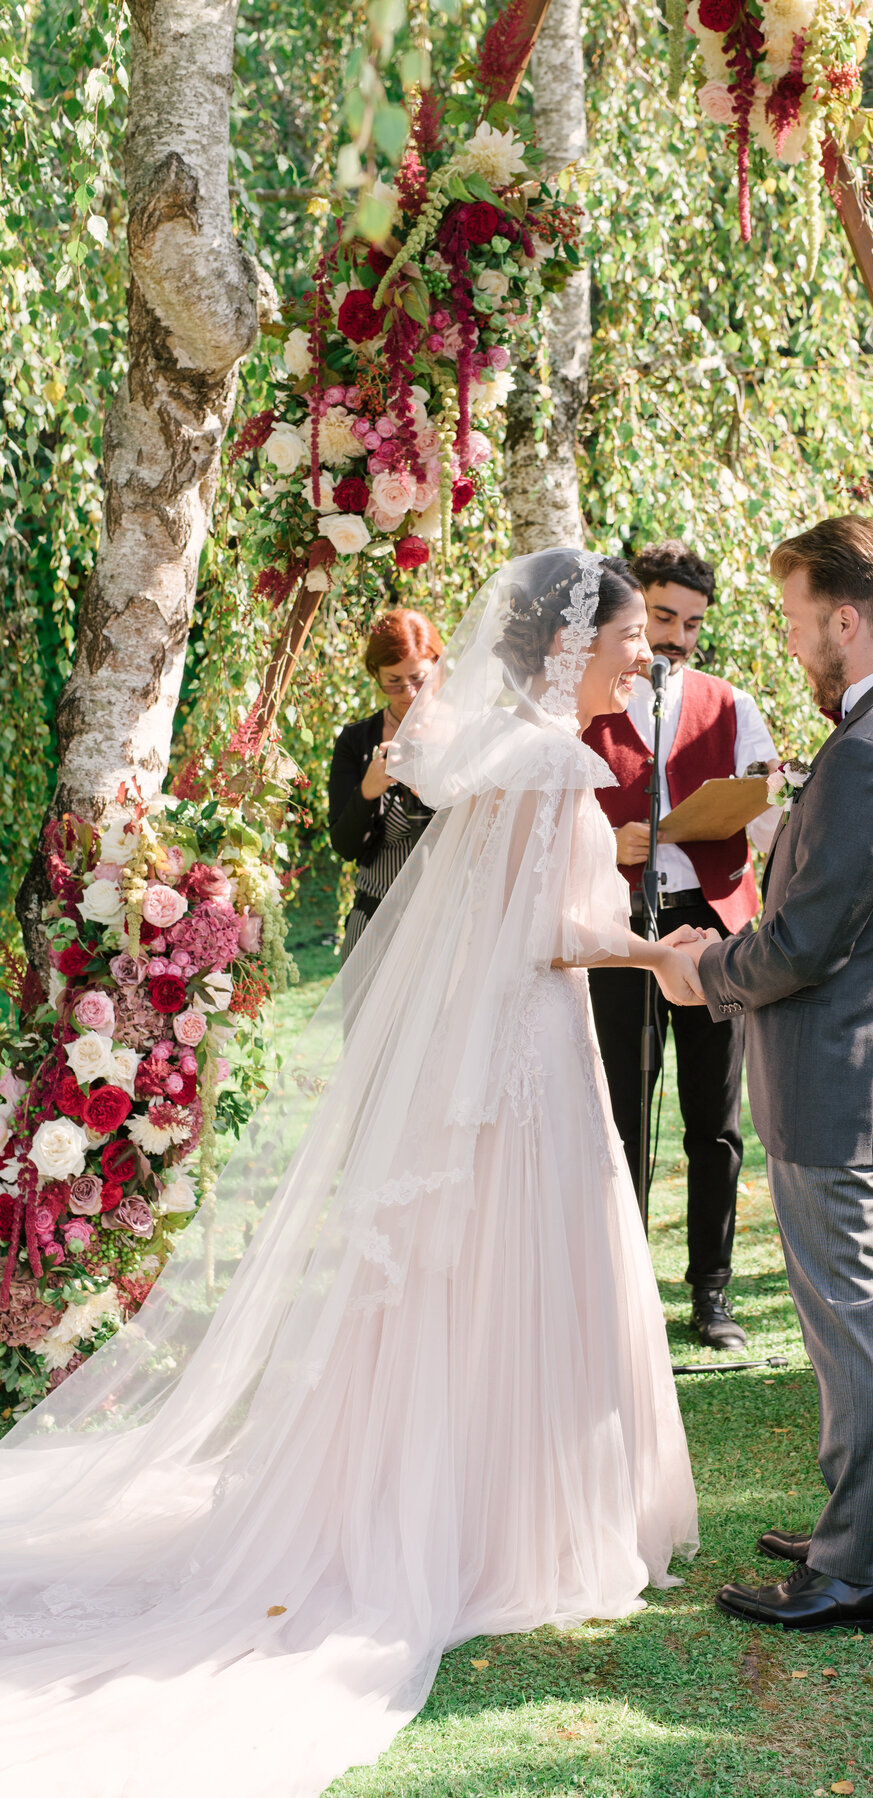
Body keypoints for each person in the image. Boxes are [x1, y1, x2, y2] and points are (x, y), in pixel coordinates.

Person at [0, 550, 701, 1798]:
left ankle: (461, 1502)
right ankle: (512, 1525)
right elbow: (544, 934)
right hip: (532, 1049)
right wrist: (657, 953)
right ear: (569, 643)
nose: (644, 655)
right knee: (527, 1259)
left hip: (500, 1051)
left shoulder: (502, 745)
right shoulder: (554, 760)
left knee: (476, 1268)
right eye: (633, 634)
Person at [678, 516, 873, 1635]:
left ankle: (856, 1569)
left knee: (853, 1318)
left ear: (845, 619)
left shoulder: (870, 750)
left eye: (800, 619)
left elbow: (800, 945)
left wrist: (702, 967)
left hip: (837, 1078)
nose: (794, 640)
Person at [584, 542, 779, 1351]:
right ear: (633, 611)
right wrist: (608, 841)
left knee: (716, 1122)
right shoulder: (584, 707)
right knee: (619, 1115)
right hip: (618, 931)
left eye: (692, 624)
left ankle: (713, 1294)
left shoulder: (731, 705)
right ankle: (621, 1294)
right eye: (662, 617)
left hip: (714, 930)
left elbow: (768, 818)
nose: (677, 638)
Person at [329, 607, 443, 963]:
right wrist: (368, 789)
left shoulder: (468, 734)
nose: (407, 692)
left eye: (418, 678)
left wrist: (436, 789)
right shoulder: (356, 741)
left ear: (438, 666)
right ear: (374, 673)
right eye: (393, 680)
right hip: (375, 924)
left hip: (451, 925)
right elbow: (345, 847)